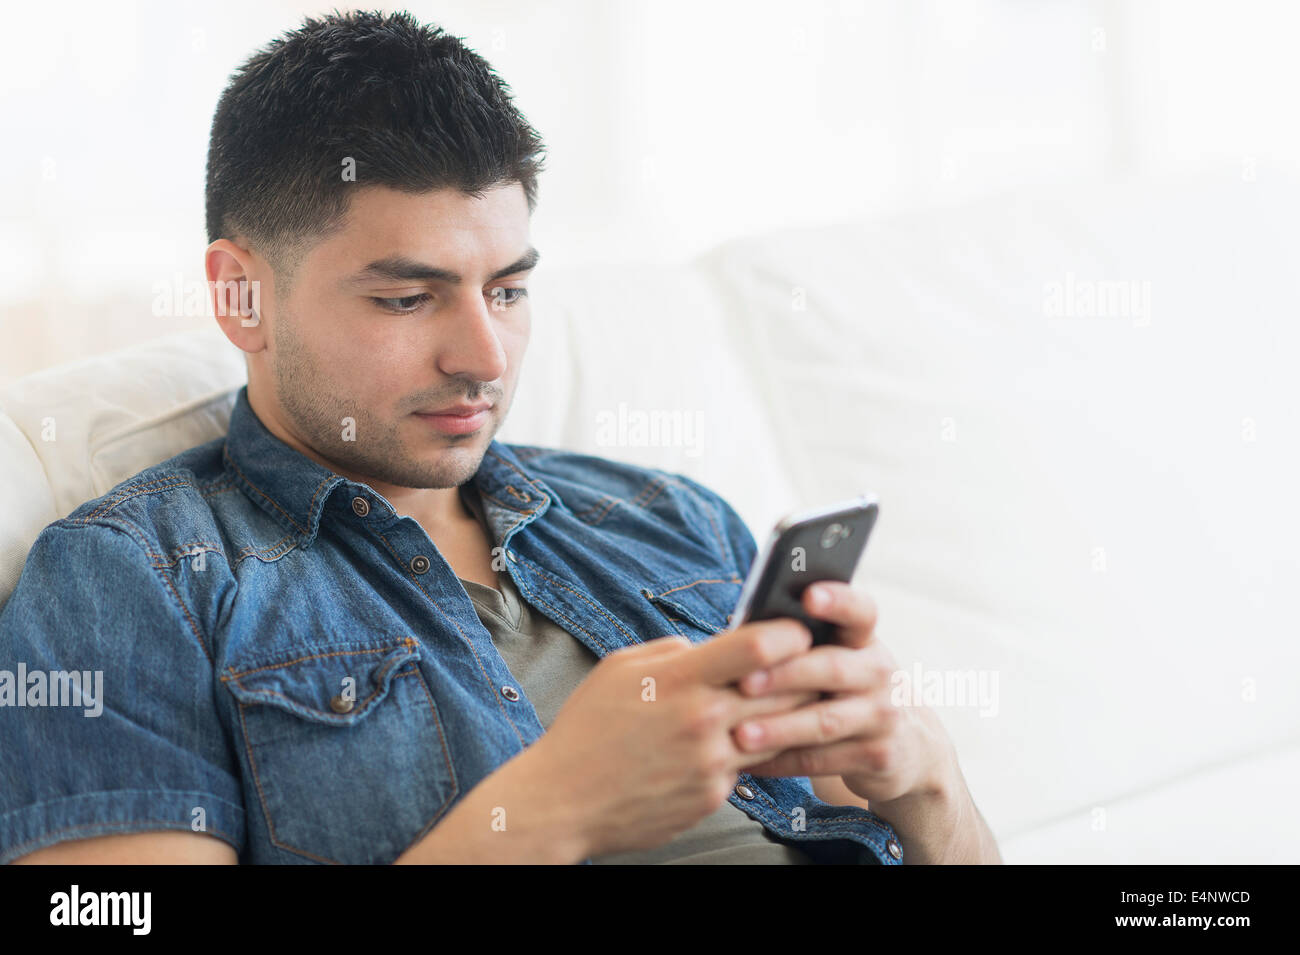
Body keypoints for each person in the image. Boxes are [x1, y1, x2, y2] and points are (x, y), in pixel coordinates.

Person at [0, 10, 999, 865]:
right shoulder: (130, 582)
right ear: (241, 294)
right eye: (406, 297)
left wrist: (928, 783)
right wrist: (550, 808)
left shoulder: (669, 518)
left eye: (510, 288)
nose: (483, 355)